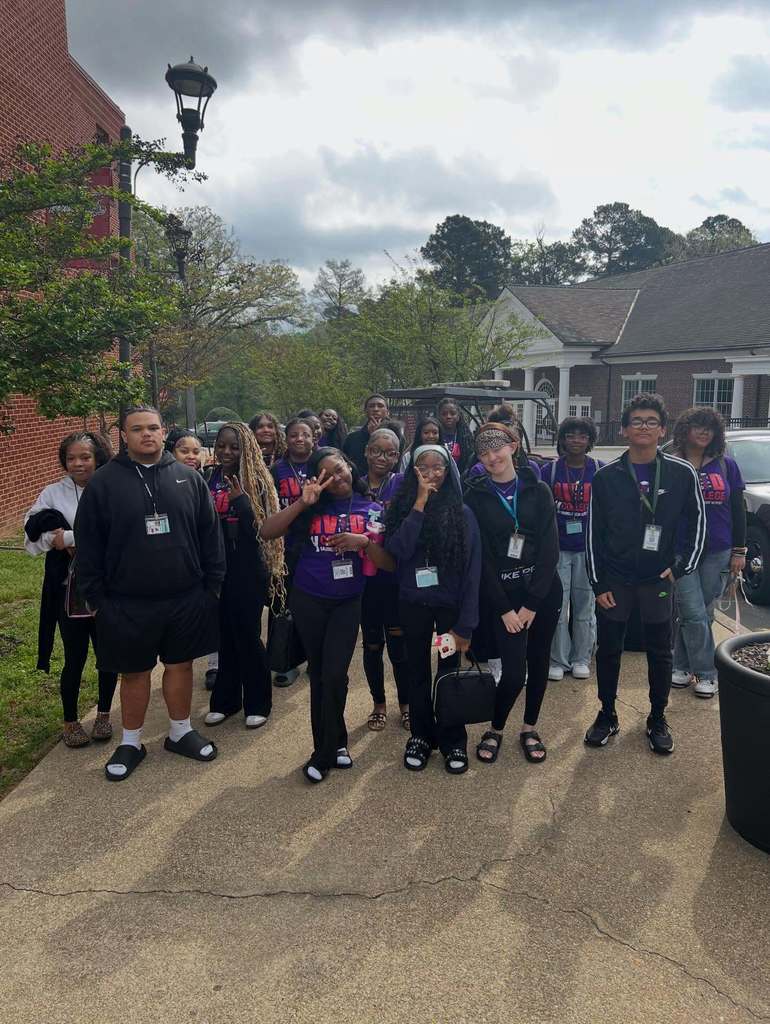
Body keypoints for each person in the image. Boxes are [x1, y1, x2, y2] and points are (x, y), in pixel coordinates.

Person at [74, 405, 226, 781]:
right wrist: (98, 600)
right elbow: (88, 545)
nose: (147, 434)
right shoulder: (104, 483)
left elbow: (211, 537)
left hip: (185, 597)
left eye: (153, 428)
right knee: (135, 672)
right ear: (123, 436)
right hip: (126, 602)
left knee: (180, 666)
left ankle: (180, 732)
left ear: (164, 432)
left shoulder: (188, 480)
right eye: (137, 429)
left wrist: (211, 589)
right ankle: (131, 742)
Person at [261, 447, 395, 783]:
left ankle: (324, 753)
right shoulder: (309, 510)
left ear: (350, 467)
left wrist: (363, 542)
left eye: (340, 469)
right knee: (321, 674)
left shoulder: (372, 508)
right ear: (317, 480)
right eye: (328, 474)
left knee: (335, 674)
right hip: (309, 598)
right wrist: (301, 503)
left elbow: (388, 564)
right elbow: (266, 531)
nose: (338, 477)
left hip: (348, 601)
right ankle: (333, 745)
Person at [585, 393, 706, 755]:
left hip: (658, 580)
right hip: (616, 581)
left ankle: (657, 716)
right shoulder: (606, 477)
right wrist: (598, 582)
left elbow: (697, 523)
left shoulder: (681, 472)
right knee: (608, 649)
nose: (643, 427)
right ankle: (607, 713)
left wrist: (682, 565)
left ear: (662, 430)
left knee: (659, 650)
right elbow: (594, 532)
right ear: (624, 429)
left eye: (651, 421)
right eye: (636, 421)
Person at [464, 423, 561, 765]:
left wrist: (533, 603)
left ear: (514, 446)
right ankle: (496, 726)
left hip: (542, 592)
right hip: (502, 595)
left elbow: (550, 549)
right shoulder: (474, 494)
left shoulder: (539, 489)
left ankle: (529, 726)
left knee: (538, 663)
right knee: (513, 672)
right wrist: (506, 608)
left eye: (498, 448)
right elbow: (482, 558)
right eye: (484, 452)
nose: (492, 457)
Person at [385, 444, 481, 775]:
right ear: (412, 471)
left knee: (448, 670)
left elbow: (472, 572)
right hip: (414, 606)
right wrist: (419, 504)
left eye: (437, 466)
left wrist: (465, 625)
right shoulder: (402, 508)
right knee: (416, 672)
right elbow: (397, 550)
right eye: (422, 466)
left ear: (449, 470)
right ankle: (421, 736)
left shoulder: (462, 513)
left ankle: (453, 738)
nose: (430, 472)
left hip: (447, 612)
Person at [24, 431, 118, 748]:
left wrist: (71, 538)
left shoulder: (110, 488)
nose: (77, 464)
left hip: (106, 588)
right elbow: (31, 538)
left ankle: (104, 715)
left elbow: (118, 531)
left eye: (85, 457)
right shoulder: (52, 493)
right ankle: (70, 721)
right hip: (68, 591)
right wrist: (54, 539)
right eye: (71, 458)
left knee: (107, 655)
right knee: (74, 658)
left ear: (98, 458)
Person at [204, 422, 285, 729]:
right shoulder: (208, 477)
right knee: (224, 635)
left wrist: (241, 502)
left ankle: (258, 702)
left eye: (234, 447)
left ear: (246, 448)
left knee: (248, 635)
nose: (226, 452)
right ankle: (225, 702)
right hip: (217, 566)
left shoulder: (258, 481)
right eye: (221, 446)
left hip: (248, 567)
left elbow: (266, 530)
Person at [670, 407, 746, 698]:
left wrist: (739, 551)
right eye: (698, 426)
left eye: (709, 428)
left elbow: (737, 510)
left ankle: (680, 666)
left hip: (718, 549)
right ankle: (707, 673)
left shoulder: (727, 466)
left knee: (702, 611)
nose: (703, 432)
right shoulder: (673, 464)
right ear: (685, 430)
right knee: (692, 610)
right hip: (682, 551)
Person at [545, 417, 603, 681]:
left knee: (585, 607)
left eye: (582, 436)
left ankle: (581, 658)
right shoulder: (551, 471)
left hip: (588, 550)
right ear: (563, 439)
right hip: (558, 549)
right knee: (558, 606)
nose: (576, 441)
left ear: (590, 440)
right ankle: (558, 659)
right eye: (570, 435)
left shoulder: (600, 471)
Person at [359, 427, 409, 731]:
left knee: (399, 647)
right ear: (366, 451)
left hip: (395, 577)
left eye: (391, 453)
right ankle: (378, 703)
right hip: (364, 581)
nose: (383, 457)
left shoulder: (402, 485)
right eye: (377, 451)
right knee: (372, 646)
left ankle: (406, 703)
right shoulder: (353, 485)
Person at [270, 417, 315, 686]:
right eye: (294, 435)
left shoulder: (321, 464)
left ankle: (312, 657)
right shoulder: (277, 470)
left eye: (305, 434)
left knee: (311, 604)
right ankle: (285, 661)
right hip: (285, 546)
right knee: (284, 605)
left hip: (315, 544)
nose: (300, 439)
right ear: (286, 439)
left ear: (314, 438)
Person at [343, 394, 390, 475]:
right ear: (365, 411)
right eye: (371, 406)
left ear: (387, 412)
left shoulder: (397, 436)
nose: (376, 409)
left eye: (380, 406)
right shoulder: (352, 438)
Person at [437, 397, 475, 474]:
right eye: (444, 414)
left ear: (458, 417)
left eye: (452, 413)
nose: (448, 416)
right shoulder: (433, 435)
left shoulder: (466, 438)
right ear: (439, 417)